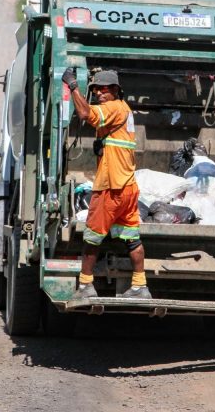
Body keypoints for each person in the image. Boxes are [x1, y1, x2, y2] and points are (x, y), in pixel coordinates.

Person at [62, 67, 151, 300]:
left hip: (111, 188)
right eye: (95, 89)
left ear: (115, 90)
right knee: (132, 238)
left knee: (92, 238)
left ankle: (85, 286)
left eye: (103, 89)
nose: (99, 93)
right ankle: (140, 285)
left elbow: (84, 114)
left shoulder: (113, 107)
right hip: (128, 187)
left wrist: (73, 86)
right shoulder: (124, 110)